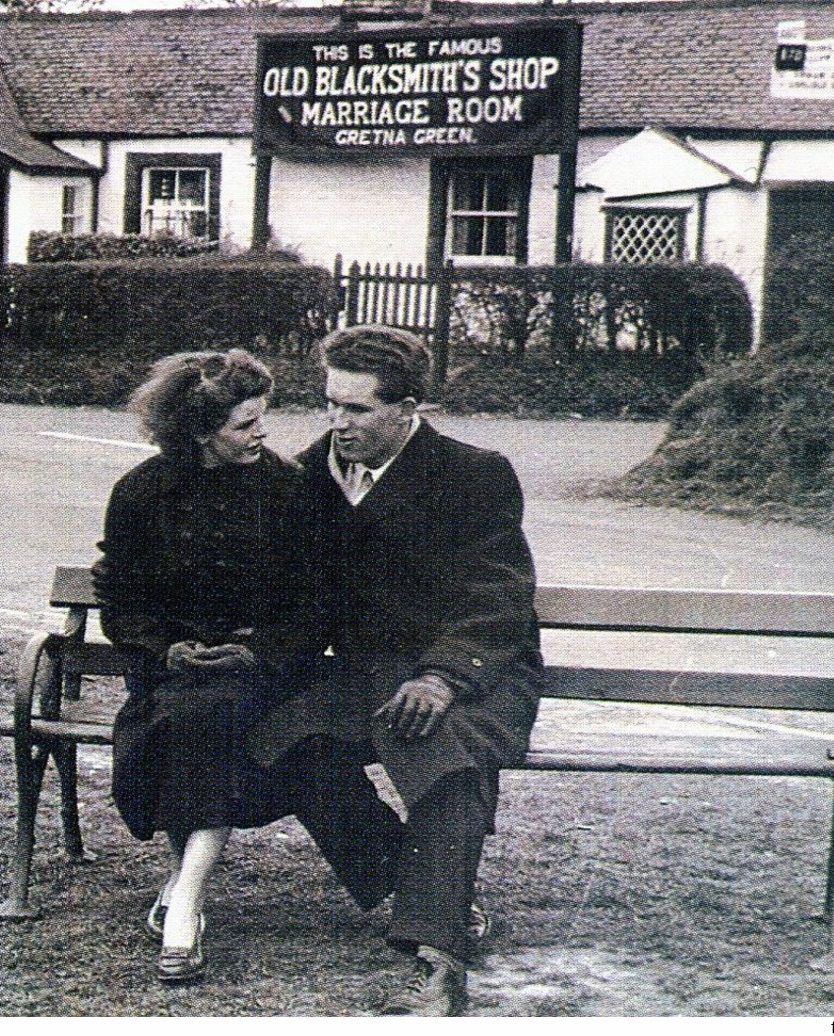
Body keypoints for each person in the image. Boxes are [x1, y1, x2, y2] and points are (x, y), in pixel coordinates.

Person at [249, 324, 543, 1016]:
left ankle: (440, 955)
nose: (337, 423)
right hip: (367, 675)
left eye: (356, 409)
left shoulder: (474, 474)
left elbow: (496, 595)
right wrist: (257, 650)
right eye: (329, 404)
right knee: (285, 740)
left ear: (408, 408)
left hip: (473, 672)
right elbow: (301, 601)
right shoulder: (309, 476)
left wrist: (441, 678)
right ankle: (430, 884)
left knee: (440, 754)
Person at [91, 349, 301, 985]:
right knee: (191, 718)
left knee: (206, 720)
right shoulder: (141, 493)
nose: (262, 433)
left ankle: (183, 902)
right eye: (244, 424)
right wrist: (167, 652)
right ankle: (186, 895)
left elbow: (313, 603)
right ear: (200, 433)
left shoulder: (288, 489)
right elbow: (121, 600)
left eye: (263, 418)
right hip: (170, 671)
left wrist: (258, 652)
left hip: (260, 673)